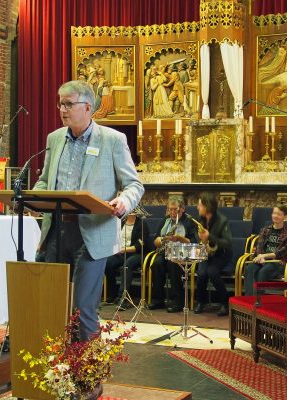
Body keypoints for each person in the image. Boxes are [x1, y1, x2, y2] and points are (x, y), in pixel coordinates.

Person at [33, 80, 144, 340]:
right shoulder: (54, 139)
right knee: (53, 306)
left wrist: (124, 201)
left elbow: (134, 184)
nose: (62, 109)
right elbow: (45, 180)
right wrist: (32, 197)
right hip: (56, 232)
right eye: (60, 103)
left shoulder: (112, 140)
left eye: (69, 104)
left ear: (88, 107)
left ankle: (86, 377)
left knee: (82, 308)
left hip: (92, 233)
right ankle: (55, 371)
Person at [148, 196, 198, 312]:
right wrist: (161, 240)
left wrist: (180, 238)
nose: (172, 212)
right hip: (165, 251)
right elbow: (155, 240)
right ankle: (158, 300)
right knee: (156, 264)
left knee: (173, 263)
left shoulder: (189, 221)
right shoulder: (165, 221)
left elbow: (195, 242)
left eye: (175, 209)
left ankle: (177, 301)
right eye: (170, 209)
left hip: (182, 253)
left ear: (182, 209)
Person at [193, 193, 232, 317]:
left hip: (222, 254)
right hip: (207, 252)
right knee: (201, 273)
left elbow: (227, 243)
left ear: (207, 206)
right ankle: (200, 301)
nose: (197, 208)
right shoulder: (200, 219)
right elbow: (196, 234)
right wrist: (201, 239)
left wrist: (210, 236)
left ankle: (225, 302)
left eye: (200, 205)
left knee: (212, 272)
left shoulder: (222, 220)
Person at [244, 205, 287, 296]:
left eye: (279, 214)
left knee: (263, 272)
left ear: (285, 217)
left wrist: (264, 256)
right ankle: (249, 300)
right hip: (262, 260)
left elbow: (282, 252)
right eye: (274, 213)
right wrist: (260, 256)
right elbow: (259, 246)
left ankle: (258, 301)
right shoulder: (265, 230)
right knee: (250, 269)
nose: (275, 216)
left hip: (278, 262)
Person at [104, 212, 150, 309]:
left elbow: (139, 246)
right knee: (108, 263)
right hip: (121, 252)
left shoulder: (142, 224)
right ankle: (112, 294)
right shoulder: (121, 221)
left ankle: (123, 298)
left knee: (127, 265)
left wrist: (122, 249)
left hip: (137, 253)